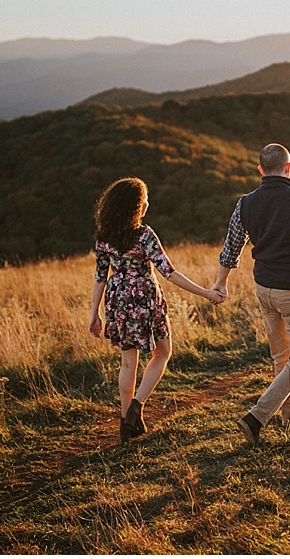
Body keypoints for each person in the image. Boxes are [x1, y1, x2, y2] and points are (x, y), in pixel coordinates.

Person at [212, 143, 290, 447]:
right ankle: (258, 416)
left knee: (282, 356)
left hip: (263, 290)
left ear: (260, 170)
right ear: (288, 168)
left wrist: (221, 283)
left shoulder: (245, 203)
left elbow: (231, 249)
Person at [89, 177, 224, 443]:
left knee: (128, 362)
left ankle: (125, 421)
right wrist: (206, 293)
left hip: (117, 301)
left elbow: (100, 277)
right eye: (144, 199)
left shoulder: (104, 237)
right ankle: (137, 407)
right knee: (162, 353)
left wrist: (94, 313)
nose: (147, 203)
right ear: (137, 207)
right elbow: (169, 273)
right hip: (144, 299)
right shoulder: (144, 234)